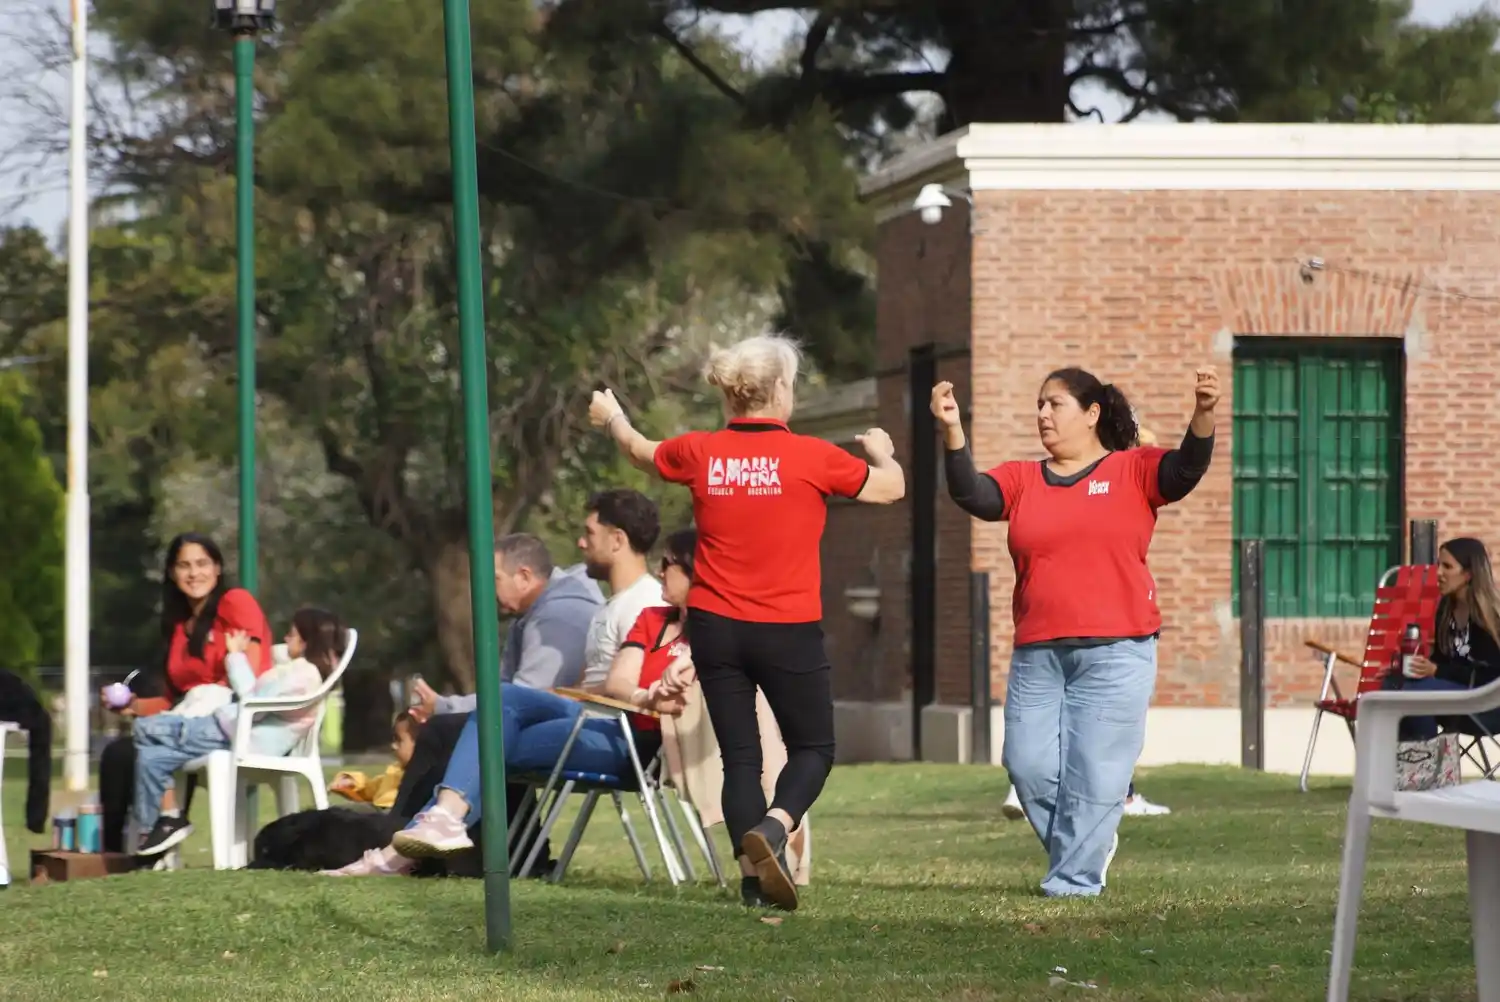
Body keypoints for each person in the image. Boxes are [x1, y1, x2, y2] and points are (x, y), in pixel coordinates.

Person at [591, 333, 905, 911]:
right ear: (780, 390)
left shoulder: (701, 451)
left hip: (714, 627)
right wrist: (882, 450)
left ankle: (755, 883)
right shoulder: (812, 456)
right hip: (786, 625)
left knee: (742, 759)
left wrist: (612, 414)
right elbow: (892, 489)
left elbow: (637, 448)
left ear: (732, 394)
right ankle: (777, 826)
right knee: (813, 747)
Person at [934, 365, 1217, 897]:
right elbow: (973, 494)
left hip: (1118, 650)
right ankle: (1086, 845)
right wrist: (953, 432)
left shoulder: (1134, 470)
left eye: (1055, 404)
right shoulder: (1023, 479)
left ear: (1091, 415)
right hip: (1039, 651)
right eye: (1039, 404)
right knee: (1027, 764)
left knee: (1096, 771)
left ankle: (1074, 881)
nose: (1042, 414)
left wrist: (1202, 415)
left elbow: (1185, 470)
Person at [321, 531, 696, 877]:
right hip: (605, 719)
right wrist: (647, 695)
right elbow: (618, 682)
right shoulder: (652, 619)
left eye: (668, 565)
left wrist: (664, 697)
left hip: (644, 744)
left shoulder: (716, 631)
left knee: (484, 735)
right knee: (502, 702)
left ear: (696, 572)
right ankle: (435, 826)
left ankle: (408, 848)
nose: (659, 573)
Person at [99, 532, 273, 854]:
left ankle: (157, 827)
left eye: (202, 563)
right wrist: (131, 705)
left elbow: (251, 678)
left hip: (228, 718)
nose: (194, 574)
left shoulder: (234, 602)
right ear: (171, 572)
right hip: (187, 716)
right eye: (184, 566)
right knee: (118, 753)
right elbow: (172, 700)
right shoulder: (179, 626)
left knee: (134, 747)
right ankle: (132, 843)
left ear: (218, 568)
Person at [133, 607, 346, 856]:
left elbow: (252, 700)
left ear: (308, 642)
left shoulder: (301, 675)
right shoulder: (300, 670)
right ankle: (167, 821)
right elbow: (271, 666)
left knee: (143, 727)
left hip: (226, 733)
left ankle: (164, 821)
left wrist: (234, 655)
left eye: (291, 634)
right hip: (226, 730)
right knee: (151, 758)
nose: (285, 639)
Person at [1395, 537, 1500, 740]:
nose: (1439, 573)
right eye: (1438, 565)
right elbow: (1444, 662)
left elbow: (1492, 676)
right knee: (1393, 686)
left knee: (1415, 694)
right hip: (1457, 699)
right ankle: (1402, 764)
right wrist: (1418, 667)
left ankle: (1424, 762)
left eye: (1447, 567)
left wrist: (1438, 670)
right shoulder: (1445, 609)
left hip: (1489, 704)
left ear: (1468, 574)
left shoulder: (1490, 618)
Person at [578, 489, 667, 689]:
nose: (581, 543)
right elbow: (585, 682)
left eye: (590, 533)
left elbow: (639, 683)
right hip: (582, 714)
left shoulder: (646, 604)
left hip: (607, 719)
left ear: (617, 540)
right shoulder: (610, 606)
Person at [330, 710, 422, 811]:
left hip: (392, 814)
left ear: (421, 744)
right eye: (393, 739)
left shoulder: (426, 776)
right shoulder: (395, 771)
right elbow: (372, 787)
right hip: (377, 814)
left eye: (398, 740)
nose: (393, 745)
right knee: (335, 814)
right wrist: (352, 782)